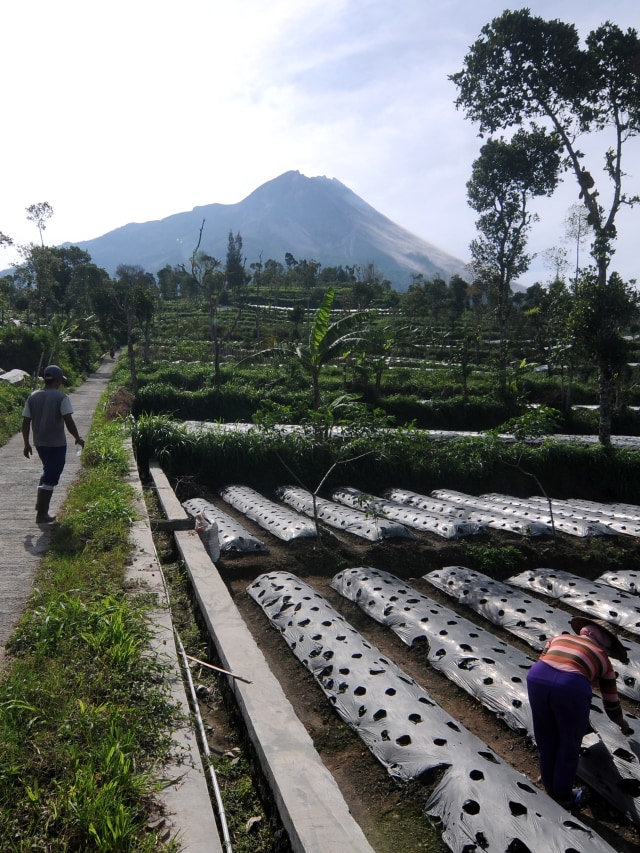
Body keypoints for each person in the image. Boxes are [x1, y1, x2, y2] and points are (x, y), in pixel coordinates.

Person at [526, 615, 632, 811]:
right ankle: (564, 795)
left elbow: (545, 661)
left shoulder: (559, 638)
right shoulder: (602, 658)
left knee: (546, 736)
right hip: (571, 687)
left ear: (585, 631)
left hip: (537, 677)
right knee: (568, 743)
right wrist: (622, 723)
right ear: (605, 646)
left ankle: (548, 783)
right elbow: (611, 702)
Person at [21, 365, 85, 524]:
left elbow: (25, 422)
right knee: (52, 475)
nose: (60, 384)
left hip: (39, 443)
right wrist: (77, 437)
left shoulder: (33, 396)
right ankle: (41, 513)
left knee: (48, 472)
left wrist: (26, 443)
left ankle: (41, 509)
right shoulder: (61, 397)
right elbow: (68, 420)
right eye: (60, 381)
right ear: (56, 380)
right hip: (56, 444)